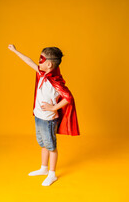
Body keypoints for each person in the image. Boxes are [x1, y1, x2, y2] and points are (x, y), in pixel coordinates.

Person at [8, 45, 80, 186]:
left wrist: (54, 107)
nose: (38, 62)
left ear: (49, 64)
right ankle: (43, 168)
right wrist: (15, 51)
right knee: (43, 144)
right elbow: (29, 62)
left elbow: (68, 97)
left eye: (41, 59)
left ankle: (52, 174)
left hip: (48, 120)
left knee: (51, 146)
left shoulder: (56, 82)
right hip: (39, 116)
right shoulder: (42, 73)